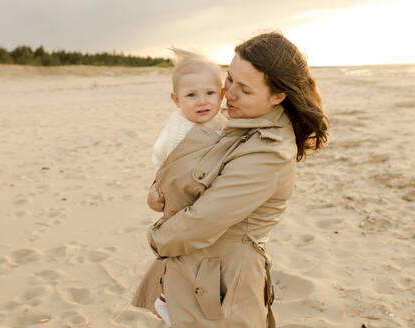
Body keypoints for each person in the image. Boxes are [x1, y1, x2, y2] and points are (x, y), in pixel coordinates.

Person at [132, 32, 328, 328]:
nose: (229, 94)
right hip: (195, 269)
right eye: (230, 79)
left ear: (278, 96)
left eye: (245, 89)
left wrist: (156, 237)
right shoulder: (235, 121)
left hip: (224, 283)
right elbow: (187, 169)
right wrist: (157, 191)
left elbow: (202, 221)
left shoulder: (268, 151)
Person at [149, 48, 227, 326]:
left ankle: (173, 299)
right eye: (191, 95)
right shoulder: (178, 131)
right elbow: (162, 164)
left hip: (200, 203)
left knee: (194, 259)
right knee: (181, 257)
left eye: (210, 93)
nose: (202, 101)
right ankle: (166, 299)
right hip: (178, 204)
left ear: (222, 93)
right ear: (176, 100)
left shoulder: (220, 124)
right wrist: (154, 193)